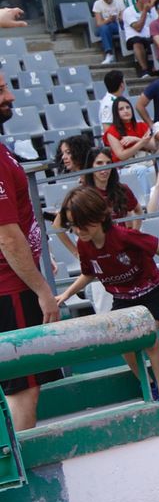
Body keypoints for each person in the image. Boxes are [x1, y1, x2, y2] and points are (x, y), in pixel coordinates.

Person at [55, 186, 159, 400]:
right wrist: (66, 294)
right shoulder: (84, 246)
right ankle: (149, 385)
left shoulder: (124, 236)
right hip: (122, 296)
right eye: (73, 225)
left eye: (82, 223)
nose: (77, 230)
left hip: (149, 289)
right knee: (124, 344)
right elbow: (89, 274)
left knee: (149, 340)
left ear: (100, 217)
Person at [0, 79, 62, 431]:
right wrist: (41, 289)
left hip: (14, 281)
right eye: (0, 91)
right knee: (23, 388)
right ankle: (19, 480)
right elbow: (7, 237)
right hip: (10, 289)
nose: (10, 96)